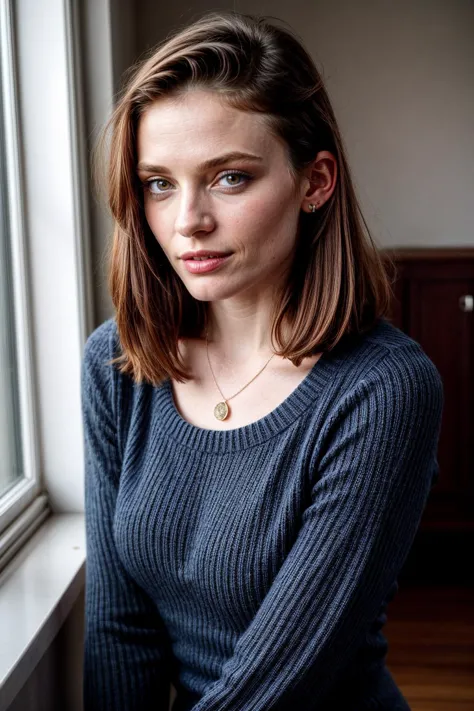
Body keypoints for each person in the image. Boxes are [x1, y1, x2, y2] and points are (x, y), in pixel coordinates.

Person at [81, 10, 444, 711]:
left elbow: (280, 684)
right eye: (159, 183)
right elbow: (118, 632)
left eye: (230, 178)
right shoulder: (119, 362)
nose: (187, 220)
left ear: (315, 182)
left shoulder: (384, 391)